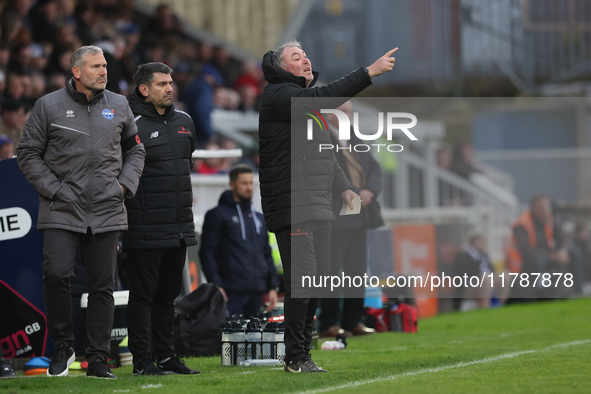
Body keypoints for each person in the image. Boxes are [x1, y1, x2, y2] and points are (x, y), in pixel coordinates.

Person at [258, 40, 398, 373]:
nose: (305, 59)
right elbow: (325, 96)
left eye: (306, 55)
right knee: (303, 282)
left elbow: (329, 157)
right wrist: (368, 73)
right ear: (282, 68)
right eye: (296, 57)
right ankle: (295, 356)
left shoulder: (308, 108)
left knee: (318, 282)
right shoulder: (279, 95)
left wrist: (347, 190)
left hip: (318, 205)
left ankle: (303, 351)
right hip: (295, 205)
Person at [17, 45, 145, 379]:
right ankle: (63, 344)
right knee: (57, 274)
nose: (104, 71)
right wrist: (56, 190)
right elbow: (27, 154)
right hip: (62, 208)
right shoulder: (48, 105)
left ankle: (98, 358)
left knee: (103, 287)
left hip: (106, 209)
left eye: (104, 66)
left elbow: (136, 152)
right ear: (76, 71)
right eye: (95, 66)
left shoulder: (119, 105)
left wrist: (122, 187)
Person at [123, 62, 199, 376]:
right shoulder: (129, 123)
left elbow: (185, 165)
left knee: (167, 295)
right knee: (142, 295)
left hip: (179, 223)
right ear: (144, 89)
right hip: (143, 224)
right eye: (162, 84)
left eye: (170, 83)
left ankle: (166, 356)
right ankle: (142, 360)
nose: (170, 88)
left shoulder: (185, 121)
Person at [318, 101, 382, 338]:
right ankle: (328, 323)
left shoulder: (355, 139)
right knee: (332, 273)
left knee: (356, 271)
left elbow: (375, 168)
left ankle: (354, 320)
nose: (348, 116)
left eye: (350, 112)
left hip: (360, 213)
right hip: (336, 215)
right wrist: (355, 190)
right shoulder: (321, 138)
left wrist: (369, 192)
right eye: (343, 112)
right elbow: (328, 173)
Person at [199, 164, 279, 318]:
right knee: (228, 339)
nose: (249, 187)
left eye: (251, 183)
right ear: (232, 184)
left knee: (254, 340)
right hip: (230, 292)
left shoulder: (259, 217)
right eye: (244, 183)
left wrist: (272, 286)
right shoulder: (217, 215)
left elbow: (266, 252)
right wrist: (217, 285)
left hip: (257, 291)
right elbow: (207, 252)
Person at [507, 195, 582, 299]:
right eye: (541, 208)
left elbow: (561, 238)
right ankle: (541, 292)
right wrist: (551, 256)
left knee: (573, 254)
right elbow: (525, 251)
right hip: (527, 263)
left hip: (549, 256)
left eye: (546, 207)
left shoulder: (550, 218)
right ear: (533, 208)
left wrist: (562, 251)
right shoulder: (522, 223)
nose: (545, 211)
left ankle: (576, 292)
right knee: (538, 262)